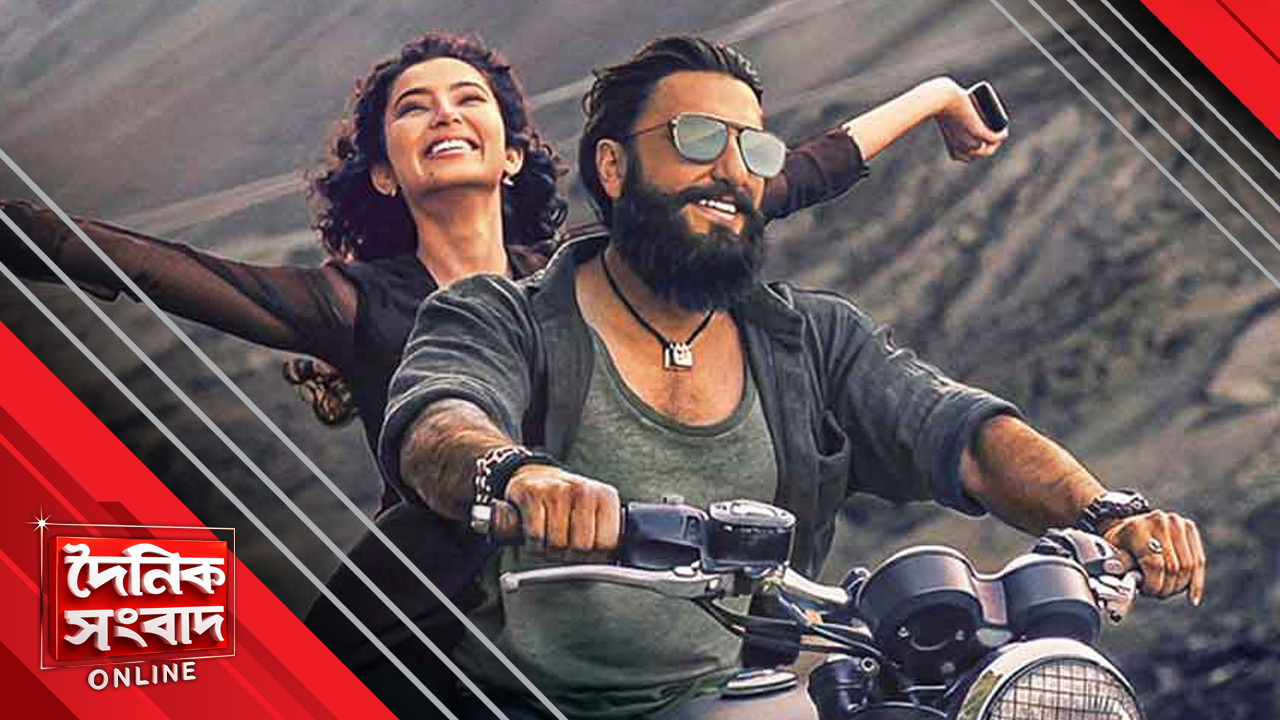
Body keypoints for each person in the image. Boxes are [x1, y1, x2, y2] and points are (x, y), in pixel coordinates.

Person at [0, 31, 1005, 713]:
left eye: (467, 98)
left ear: (514, 152)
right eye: (412, 108)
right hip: (435, 641)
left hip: (633, 628)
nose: (444, 113)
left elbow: (795, 173)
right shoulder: (353, 304)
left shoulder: (589, 270)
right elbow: (146, 268)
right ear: (385, 168)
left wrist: (935, 98)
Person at [382, 36, 1206, 719]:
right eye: (696, 138)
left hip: (738, 695)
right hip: (512, 699)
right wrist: (515, 475)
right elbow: (440, 418)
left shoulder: (810, 338)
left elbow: (966, 436)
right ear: (613, 166)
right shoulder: (505, 316)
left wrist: (1106, 512)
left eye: (753, 148)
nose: (731, 169)